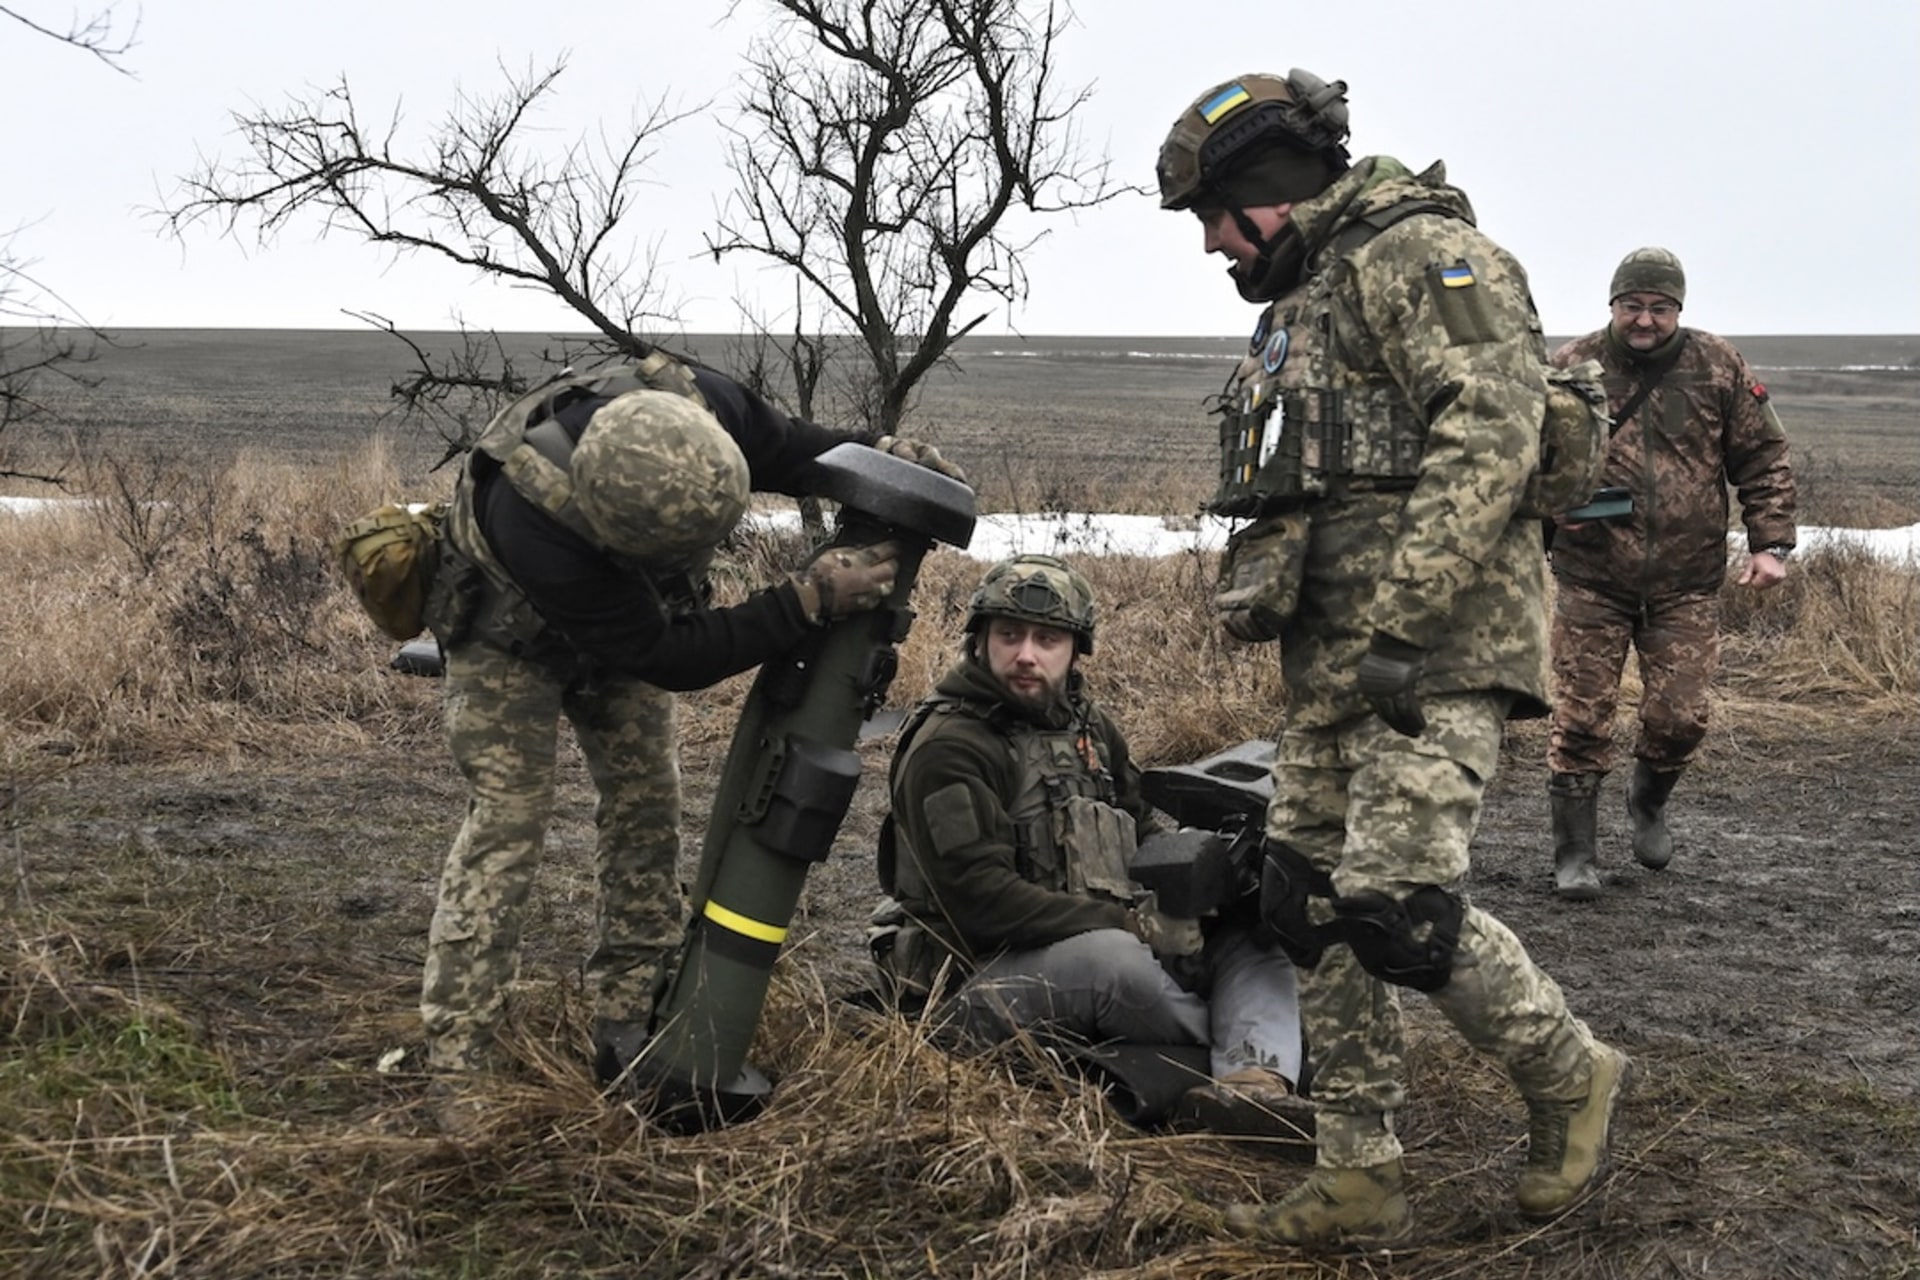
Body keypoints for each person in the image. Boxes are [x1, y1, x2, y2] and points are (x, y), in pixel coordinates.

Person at [1154, 71, 1628, 1246]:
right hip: (1335, 665)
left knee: (1397, 904)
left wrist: (1406, 622)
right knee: (1305, 900)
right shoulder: (1309, 294)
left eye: (1215, 213)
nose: (1213, 241)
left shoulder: (1422, 254)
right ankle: (1358, 1170)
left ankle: (1570, 1070)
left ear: (1269, 183)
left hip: (1437, 647)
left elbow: (1492, 429)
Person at [417, 350, 964, 1089]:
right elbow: (668, 654)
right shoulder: (532, 515)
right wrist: (806, 600)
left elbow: (795, 449)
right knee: (508, 827)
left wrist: (878, 452)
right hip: (506, 637)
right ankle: (460, 1060)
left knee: (648, 805)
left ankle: (629, 1014)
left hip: (631, 611)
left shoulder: (708, 405)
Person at [876, 553, 1311, 1140]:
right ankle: (1260, 1047)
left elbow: (1140, 831)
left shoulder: (1088, 727)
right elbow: (980, 905)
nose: (1026, 654)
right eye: (1009, 635)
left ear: (1075, 650)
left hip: (1088, 944)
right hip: (970, 981)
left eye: (1047, 639)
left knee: (1250, 932)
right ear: (980, 641)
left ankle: (1251, 1087)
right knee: (1115, 962)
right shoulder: (951, 748)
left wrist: (1196, 887)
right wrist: (1132, 924)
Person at [1545, 248, 1797, 901]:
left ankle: (1648, 801)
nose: (1645, 319)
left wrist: (1770, 544)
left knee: (1680, 717)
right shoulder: (1572, 366)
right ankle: (1575, 854)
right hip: (1591, 578)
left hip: (1685, 582)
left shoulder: (1717, 365)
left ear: (1678, 309)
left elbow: (1763, 455)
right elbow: (1528, 458)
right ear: (1613, 304)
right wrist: (1548, 508)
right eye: (1632, 305)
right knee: (1581, 719)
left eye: (1660, 307)